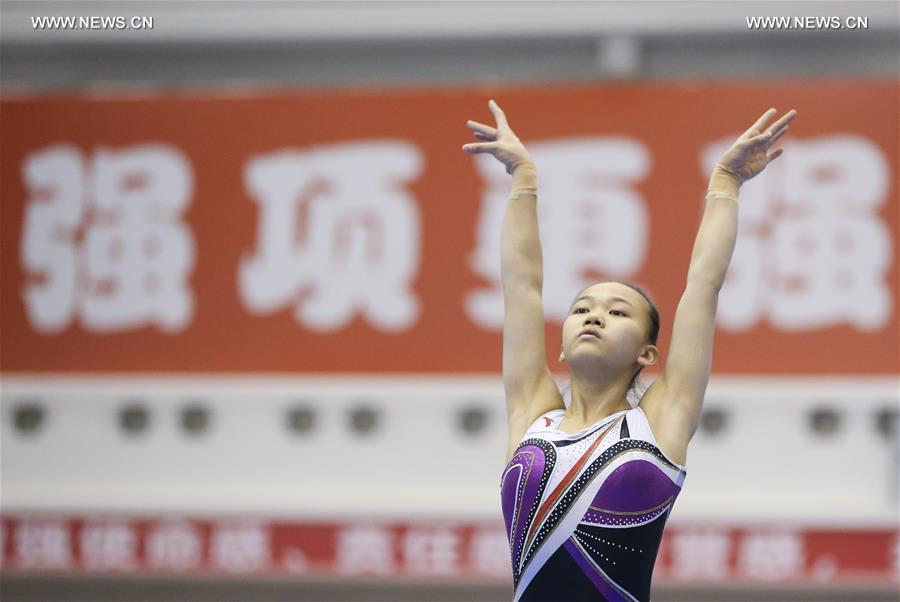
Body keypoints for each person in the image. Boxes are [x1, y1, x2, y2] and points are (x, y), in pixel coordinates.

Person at [462, 100, 796, 602]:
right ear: (561, 345)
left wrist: (726, 184)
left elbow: (703, 286)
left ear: (647, 354)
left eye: (618, 313)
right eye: (581, 309)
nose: (594, 316)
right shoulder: (532, 413)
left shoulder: (659, 421)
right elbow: (521, 287)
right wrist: (523, 181)